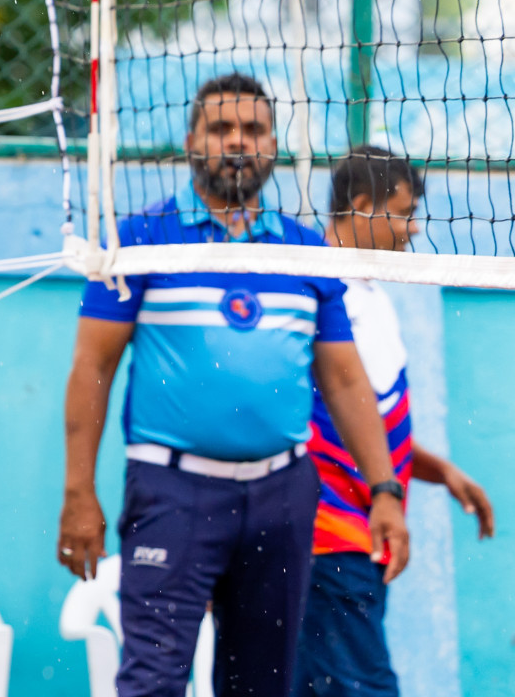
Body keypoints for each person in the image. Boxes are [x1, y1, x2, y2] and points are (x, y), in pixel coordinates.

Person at [56, 72, 410, 697]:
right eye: (222, 129)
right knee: (153, 683)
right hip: (170, 493)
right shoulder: (138, 241)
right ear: (193, 139)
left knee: (263, 685)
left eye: (253, 129)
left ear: (274, 144)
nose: (238, 142)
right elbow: (92, 370)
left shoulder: (307, 252)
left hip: (283, 496)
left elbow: (345, 378)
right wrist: (79, 492)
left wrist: (384, 489)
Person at [295, 146, 495, 697]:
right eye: (403, 214)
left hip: (359, 538)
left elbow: (368, 424)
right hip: (328, 538)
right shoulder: (314, 288)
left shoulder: (370, 297)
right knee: (363, 687)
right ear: (361, 206)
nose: (412, 230)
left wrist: (438, 471)